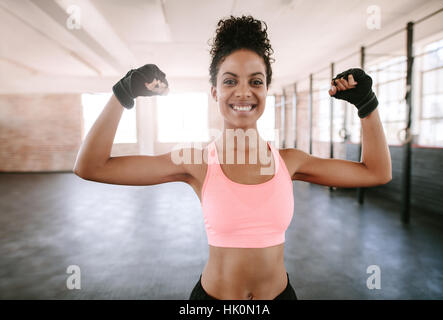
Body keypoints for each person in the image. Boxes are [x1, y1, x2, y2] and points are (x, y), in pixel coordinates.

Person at [73, 15, 392, 300]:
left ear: (267, 89)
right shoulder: (194, 162)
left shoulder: (290, 161)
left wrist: (367, 106)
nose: (243, 92)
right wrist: (122, 94)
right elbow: (91, 166)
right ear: (214, 91)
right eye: (229, 81)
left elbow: (376, 173)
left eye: (256, 81)